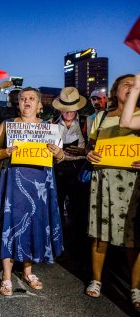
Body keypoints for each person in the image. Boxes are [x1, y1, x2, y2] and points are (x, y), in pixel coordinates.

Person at [0, 87, 65, 296]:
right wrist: (5, 152)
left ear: (40, 105)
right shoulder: (9, 125)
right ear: (18, 103)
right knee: (10, 223)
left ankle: (28, 272)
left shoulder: (50, 128)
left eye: (32, 98)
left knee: (33, 224)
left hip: (40, 183)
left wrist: (58, 153)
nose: (27, 101)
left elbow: (60, 157)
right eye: (23, 99)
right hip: (14, 181)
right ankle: (6, 276)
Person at [85, 74, 140, 312]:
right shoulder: (101, 116)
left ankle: (135, 288)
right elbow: (91, 146)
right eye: (125, 83)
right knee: (100, 234)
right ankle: (97, 280)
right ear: (116, 90)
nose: (129, 87)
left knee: (133, 238)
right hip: (103, 180)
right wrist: (90, 154)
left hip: (133, 183)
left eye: (133, 84)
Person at [51, 87, 89, 259]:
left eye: (71, 108)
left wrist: (83, 152)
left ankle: (78, 247)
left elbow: (94, 148)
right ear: (60, 108)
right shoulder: (50, 123)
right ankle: (58, 245)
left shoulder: (86, 123)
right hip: (57, 170)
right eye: (65, 108)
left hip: (78, 170)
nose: (68, 112)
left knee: (79, 210)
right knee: (56, 208)